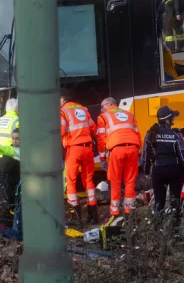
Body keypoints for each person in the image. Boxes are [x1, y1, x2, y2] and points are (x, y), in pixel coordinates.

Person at [141, 105, 184, 231]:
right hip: (175, 171)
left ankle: (157, 230)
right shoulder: (175, 134)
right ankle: (175, 231)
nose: (174, 118)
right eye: (173, 116)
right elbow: (183, 154)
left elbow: (145, 156)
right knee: (175, 202)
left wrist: (146, 171)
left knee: (159, 202)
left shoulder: (150, 133)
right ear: (168, 120)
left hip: (158, 171)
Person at [97, 97, 141, 216]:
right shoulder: (129, 115)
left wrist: (102, 159)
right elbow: (137, 133)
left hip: (116, 150)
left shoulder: (103, 117)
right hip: (132, 148)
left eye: (102, 107)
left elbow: (101, 139)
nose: (101, 110)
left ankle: (115, 212)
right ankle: (129, 212)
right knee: (130, 181)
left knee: (115, 181)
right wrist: (139, 152)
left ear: (108, 104)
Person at [60, 90, 99, 225]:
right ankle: (93, 214)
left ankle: (76, 216)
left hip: (73, 149)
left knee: (71, 181)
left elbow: (61, 130)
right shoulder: (83, 109)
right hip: (88, 148)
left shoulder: (63, 111)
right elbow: (94, 128)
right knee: (89, 180)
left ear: (62, 100)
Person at [0, 98, 21, 207]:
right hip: (6, 158)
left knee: (3, 185)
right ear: (17, 109)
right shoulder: (17, 121)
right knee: (12, 182)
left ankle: (2, 210)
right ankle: (9, 210)